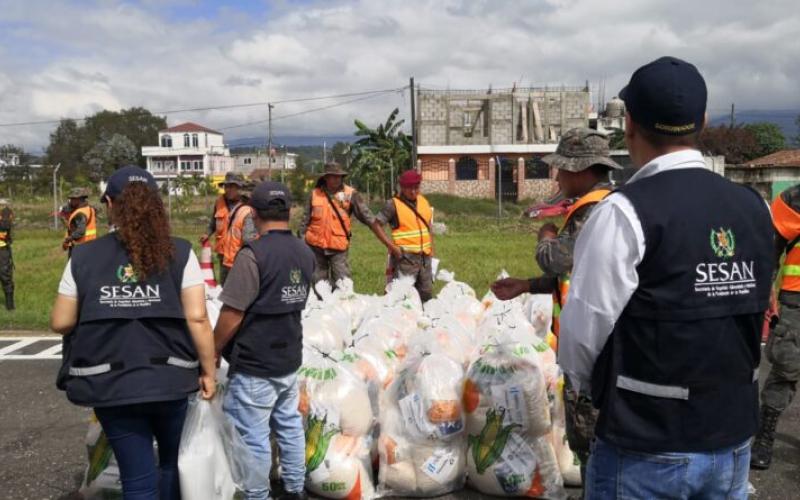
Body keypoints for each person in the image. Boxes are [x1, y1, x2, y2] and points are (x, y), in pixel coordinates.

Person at [559, 56, 774, 499]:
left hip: (645, 446)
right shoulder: (754, 207)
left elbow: (582, 335)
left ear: (630, 124)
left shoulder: (624, 212)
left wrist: (589, 392)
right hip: (731, 441)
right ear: (704, 121)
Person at [51, 166, 216, 500]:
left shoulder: (83, 256)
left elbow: (61, 322)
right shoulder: (181, 252)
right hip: (172, 378)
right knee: (172, 463)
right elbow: (197, 318)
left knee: (136, 478)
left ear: (110, 204)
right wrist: (209, 372)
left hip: (111, 382)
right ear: (156, 203)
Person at [490, 127, 621, 485]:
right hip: (598, 340)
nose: (558, 175)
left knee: (591, 438)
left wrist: (545, 234)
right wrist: (526, 286)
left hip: (595, 347)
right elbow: (581, 275)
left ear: (582, 170)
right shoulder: (611, 202)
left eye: (562, 169)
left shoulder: (591, 210)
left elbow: (556, 260)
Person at [214, 181, 314, 500]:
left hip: (256, 363)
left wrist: (212, 351)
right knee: (289, 427)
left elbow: (232, 314)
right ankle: (295, 489)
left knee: (252, 436)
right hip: (289, 359)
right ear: (288, 211)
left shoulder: (252, 255)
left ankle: (258, 495)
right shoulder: (304, 251)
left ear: (254, 214)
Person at [750, 184, 800, 469]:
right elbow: (768, 246)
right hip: (796, 301)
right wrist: (765, 285)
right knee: (785, 368)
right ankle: (765, 437)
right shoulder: (794, 199)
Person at [300, 162, 375, 287]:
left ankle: (342, 305)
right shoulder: (314, 194)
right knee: (318, 284)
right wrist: (302, 242)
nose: (336, 179)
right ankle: (321, 305)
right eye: (333, 176)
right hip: (315, 246)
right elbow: (304, 220)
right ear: (326, 177)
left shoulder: (350, 194)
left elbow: (366, 216)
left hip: (338, 247)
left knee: (343, 282)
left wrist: (379, 227)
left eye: (339, 176)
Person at [370, 169, 435, 302]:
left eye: (416, 188)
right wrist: (392, 247)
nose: (413, 192)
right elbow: (376, 225)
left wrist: (431, 248)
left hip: (425, 259)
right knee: (402, 297)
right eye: (409, 188)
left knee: (426, 295)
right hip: (405, 259)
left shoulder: (423, 201)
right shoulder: (393, 205)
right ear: (402, 188)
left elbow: (428, 226)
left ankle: (424, 321)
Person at [201, 172, 247, 285]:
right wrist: (207, 233)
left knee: (239, 285)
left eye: (232, 186)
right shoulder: (219, 202)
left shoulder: (247, 204)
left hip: (239, 254)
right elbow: (213, 222)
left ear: (238, 187)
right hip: (223, 254)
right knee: (225, 285)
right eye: (226, 186)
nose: (228, 189)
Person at [220, 182, 259, 277]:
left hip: (229, 260)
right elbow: (249, 241)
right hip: (240, 264)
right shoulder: (250, 212)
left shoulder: (239, 208)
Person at [63, 187, 97, 255]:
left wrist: (69, 239)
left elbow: (80, 231)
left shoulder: (80, 213)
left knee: (74, 265)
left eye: (72, 199)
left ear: (79, 199)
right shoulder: (89, 209)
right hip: (90, 244)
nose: (71, 201)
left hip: (79, 247)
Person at [0, 198, 14, 310]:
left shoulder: (5, 211)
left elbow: (5, 226)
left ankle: (10, 306)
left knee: (5, 276)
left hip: (2, 249)